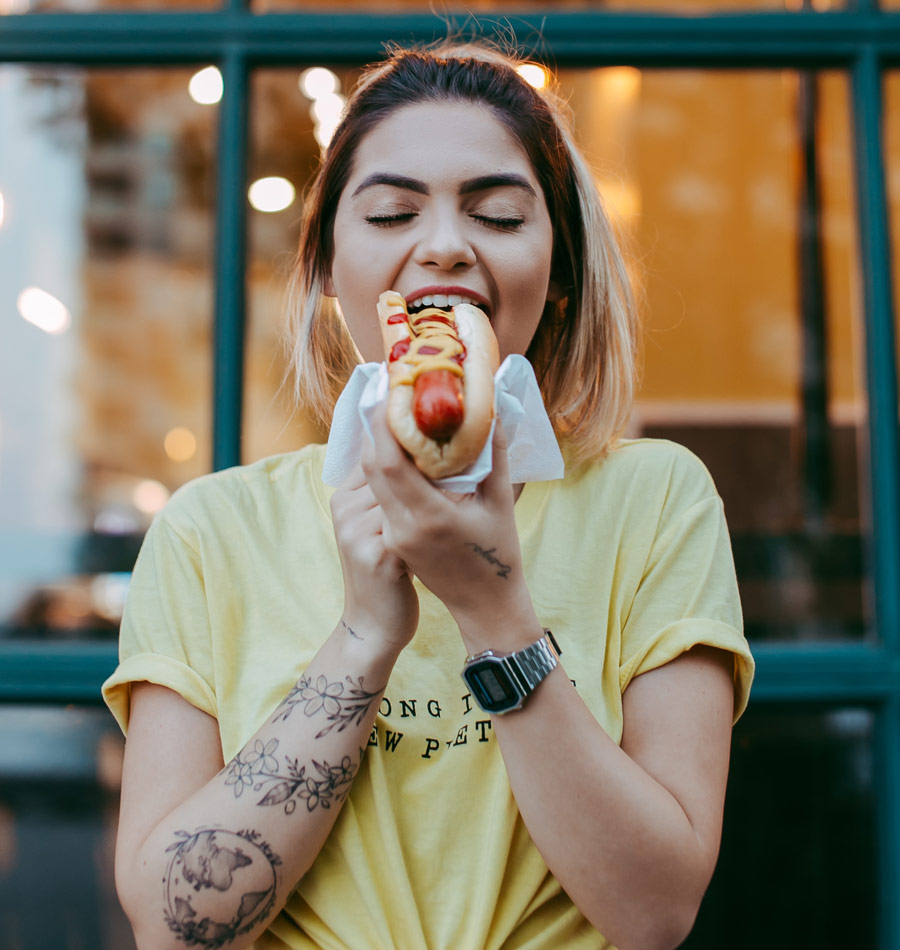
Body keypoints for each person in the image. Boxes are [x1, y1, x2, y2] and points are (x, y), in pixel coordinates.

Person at [103, 41, 754, 950]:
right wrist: (365, 635)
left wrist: (495, 612)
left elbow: (654, 914)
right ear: (330, 268)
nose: (443, 245)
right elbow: (179, 927)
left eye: (495, 213)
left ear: (560, 272)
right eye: (391, 212)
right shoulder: (213, 531)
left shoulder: (657, 501)